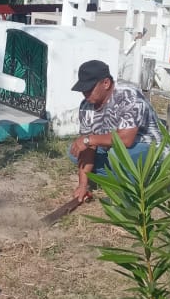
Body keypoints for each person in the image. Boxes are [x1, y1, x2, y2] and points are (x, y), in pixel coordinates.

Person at [68, 59, 163, 203]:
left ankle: (131, 193)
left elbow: (126, 140)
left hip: (147, 150)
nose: (85, 94)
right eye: (83, 89)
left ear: (106, 83)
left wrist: (89, 139)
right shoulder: (87, 106)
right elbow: (89, 147)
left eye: (89, 89)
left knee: (116, 154)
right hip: (116, 151)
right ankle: (121, 179)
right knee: (75, 151)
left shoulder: (129, 96)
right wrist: (83, 185)